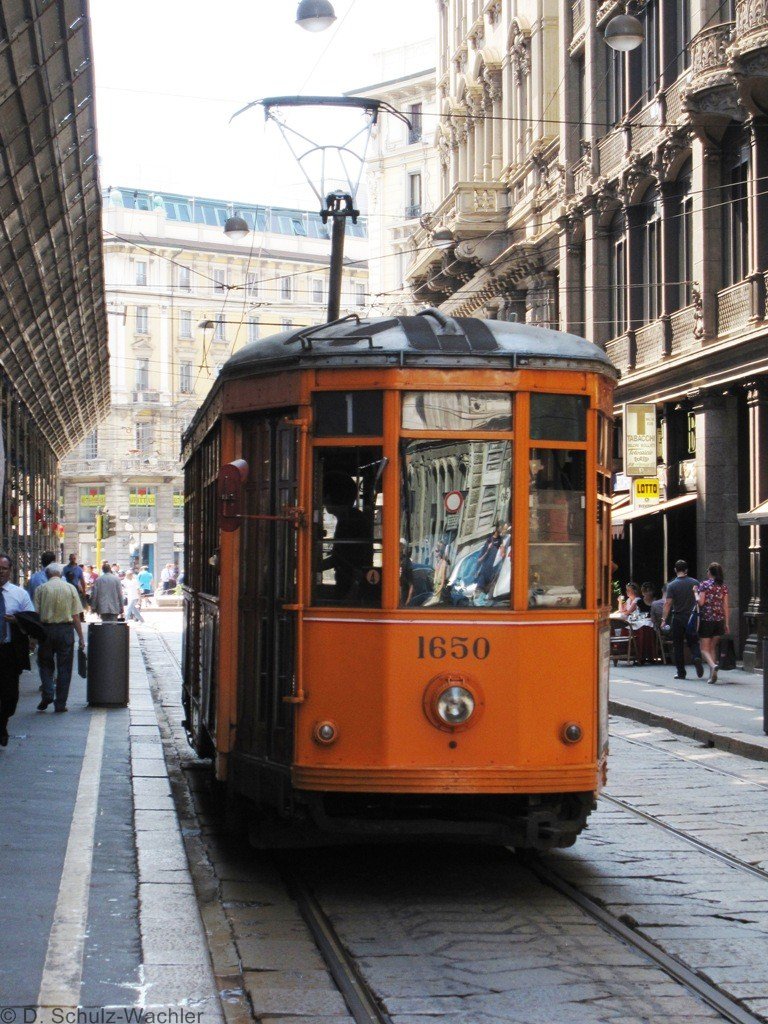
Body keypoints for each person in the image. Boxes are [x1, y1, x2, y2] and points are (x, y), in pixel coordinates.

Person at [34, 563, 85, 713]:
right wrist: (81, 637)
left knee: (44, 664)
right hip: (65, 631)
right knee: (65, 668)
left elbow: (36, 615)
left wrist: (33, 638)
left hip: (46, 631)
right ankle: (60, 703)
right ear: (60, 574)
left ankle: (48, 692)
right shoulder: (70, 588)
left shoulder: (41, 589)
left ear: (47, 575)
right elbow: (76, 616)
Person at [0, 554, 35, 745]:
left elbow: (32, 619)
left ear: (10, 571)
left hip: (9, 651)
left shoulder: (19, 594)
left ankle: (3, 721)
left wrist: (16, 620)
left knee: (9, 696)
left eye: (3, 569)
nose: (0, 572)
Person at [322, 473, 373, 600]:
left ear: (332, 497)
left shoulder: (351, 521)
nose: (324, 502)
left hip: (351, 586)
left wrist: (314, 566)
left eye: (325, 497)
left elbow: (342, 558)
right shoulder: (350, 517)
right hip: (350, 583)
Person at [661, 560, 704, 680]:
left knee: (678, 645)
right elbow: (699, 600)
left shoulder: (672, 585)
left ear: (675, 570)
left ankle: (681, 672)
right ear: (686, 570)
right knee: (693, 641)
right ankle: (696, 656)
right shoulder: (695, 582)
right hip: (691, 617)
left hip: (678, 617)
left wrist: (664, 619)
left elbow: (668, 603)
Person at [697, 562, 730, 684]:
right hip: (719, 620)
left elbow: (701, 602)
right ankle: (712, 676)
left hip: (707, 619)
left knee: (704, 649)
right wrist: (727, 623)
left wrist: (695, 593)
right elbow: (726, 605)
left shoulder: (704, 585)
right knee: (713, 648)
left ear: (710, 572)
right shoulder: (723, 587)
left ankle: (712, 665)